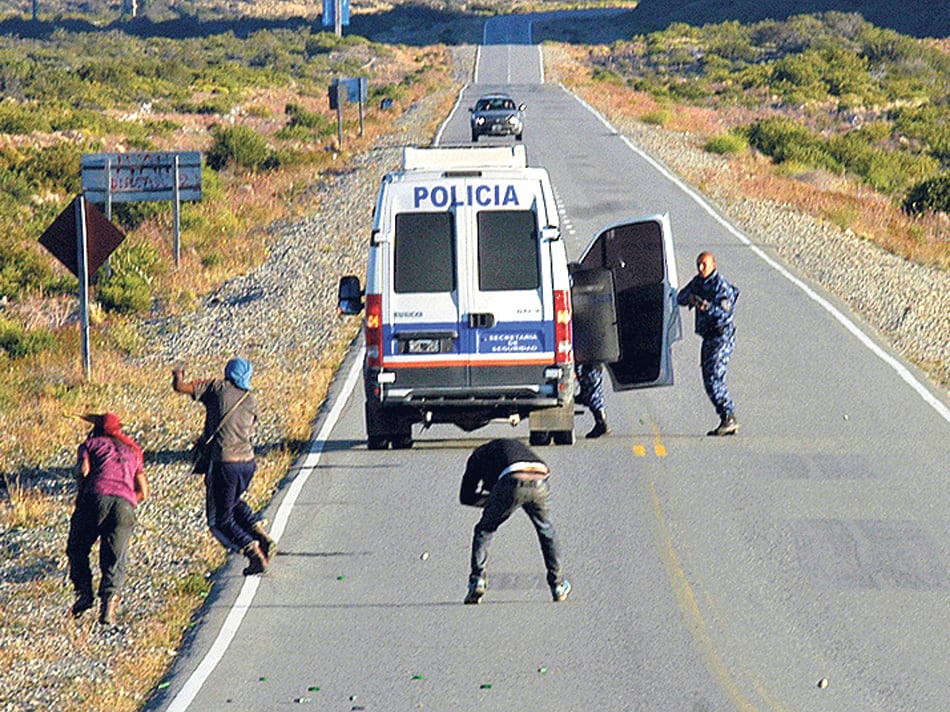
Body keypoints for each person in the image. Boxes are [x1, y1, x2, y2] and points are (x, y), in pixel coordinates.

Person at [172, 358, 274, 576]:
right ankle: (259, 532)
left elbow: (180, 388)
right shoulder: (251, 399)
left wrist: (178, 373)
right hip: (247, 463)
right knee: (233, 501)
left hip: (223, 463)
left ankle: (252, 550)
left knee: (219, 521)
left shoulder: (216, 388)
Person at [459, 438, 570, 604]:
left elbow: (466, 496)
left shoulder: (476, 458)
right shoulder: (507, 448)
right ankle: (558, 585)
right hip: (540, 477)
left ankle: (477, 580)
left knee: (485, 529)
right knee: (546, 530)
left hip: (512, 479)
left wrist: (493, 503)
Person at [67, 412, 149, 626]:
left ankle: (84, 594)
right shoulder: (132, 451)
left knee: (77, 547)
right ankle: (108, 610)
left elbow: (83, 471)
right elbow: (144, 491)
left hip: (95, 497)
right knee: (115, 557)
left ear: (98, 429)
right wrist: (127, 500)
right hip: (124, 505)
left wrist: (82, 493)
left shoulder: (91, 444)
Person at [676, 251, 740, 436]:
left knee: (714, 377)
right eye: (699, 264)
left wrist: (706, 306)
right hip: (709, 338)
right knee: (707, 378)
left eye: (704, 264)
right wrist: (690, 299)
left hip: (722, 337)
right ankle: (726, 417)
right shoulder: (698, 283)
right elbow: (680, 296)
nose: (701, 268)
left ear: (714, 264)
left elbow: (726, 311)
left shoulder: (721, 286)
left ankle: (729, 416)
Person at [575, 363, 610, 438]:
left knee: (593, 395)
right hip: (592, 365)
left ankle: (601, 423)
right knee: (593, 393)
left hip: (590, 366)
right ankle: (601, 422)